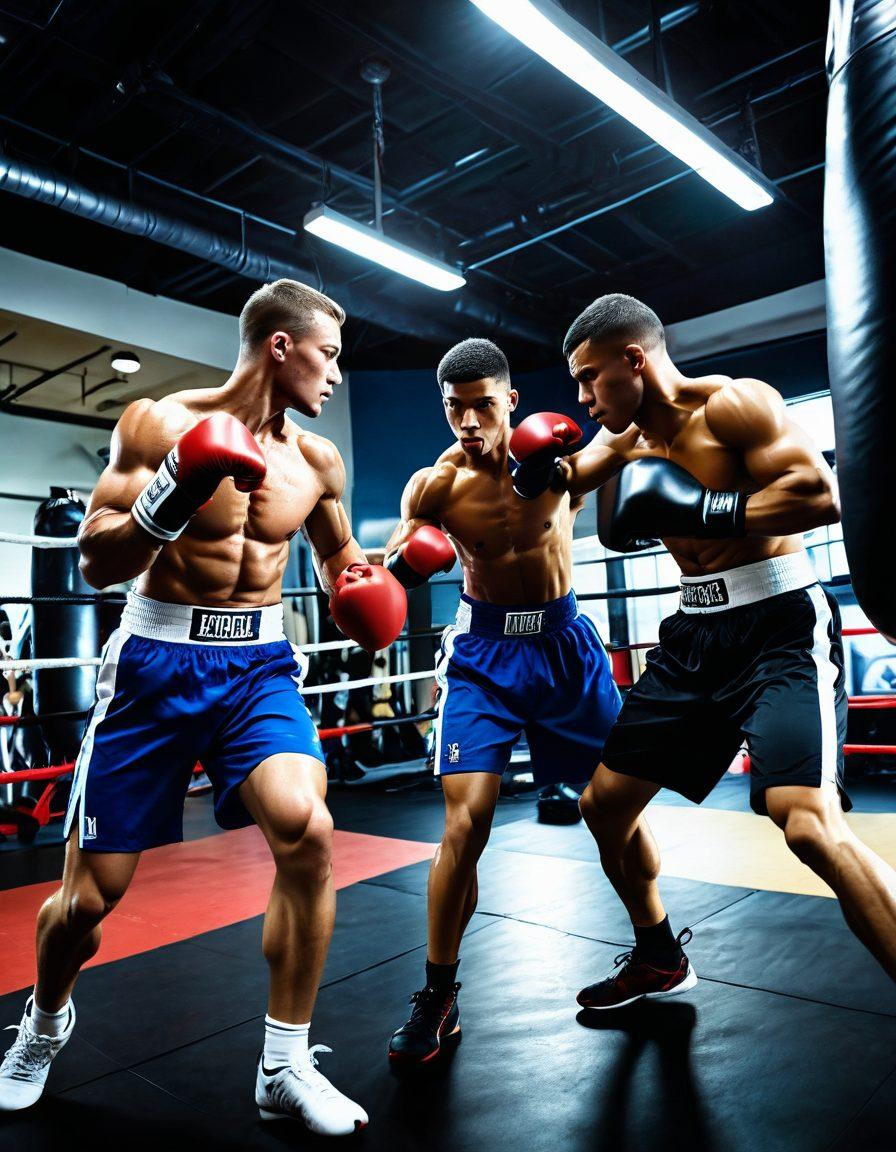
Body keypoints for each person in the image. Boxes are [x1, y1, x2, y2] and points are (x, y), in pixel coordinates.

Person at [0, 278, 407, 1136]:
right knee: (88, 902)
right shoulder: (157, 425)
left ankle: (283, 1061)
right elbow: (96, 565)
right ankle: (42, 1024)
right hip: (155, 665)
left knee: (309, 829)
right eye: (329, 354)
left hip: (257, 665)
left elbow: (343, 568)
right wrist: (174, 491)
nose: (336, 374)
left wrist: (380, 590)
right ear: (281, 346)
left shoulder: (318, 461)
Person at [559, 292, 896, 1008]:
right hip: (691, 639)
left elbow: (818, 492)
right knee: (604, 807)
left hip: (777, 625)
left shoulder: (736, 406)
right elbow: (555, 483)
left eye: (591, 378)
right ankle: (658, 957)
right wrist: (524, 460)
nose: (584, 397)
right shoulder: (623, 442)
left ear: (634, 359)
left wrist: (709, 508)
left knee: (805, 823)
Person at [383, 337, 621, 1065]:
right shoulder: (435, 486)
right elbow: (391, 573)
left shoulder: (556, 461)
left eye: (482, 404)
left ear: (510, 401)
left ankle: (655, 945)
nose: (468, 421)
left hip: (565, 643)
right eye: (454, 407)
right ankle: (438, 995)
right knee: (466, 821)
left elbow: (634, 433)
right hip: (484, 653)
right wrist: (396, 567)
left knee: (614, 806)